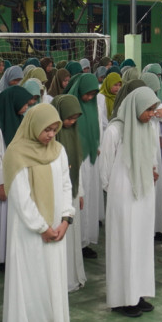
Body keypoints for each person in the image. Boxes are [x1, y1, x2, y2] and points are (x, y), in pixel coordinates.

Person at [2, 103, 74, 322]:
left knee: (51, 277)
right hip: (29, 230)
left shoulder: (59, 151)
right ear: (33, 126)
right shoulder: (16, 153)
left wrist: (66, 219)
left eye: (55, 130)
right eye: (47, 130)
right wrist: (41, 227)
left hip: (55, 227)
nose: (51, 135)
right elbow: (20, 196)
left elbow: (66, 185)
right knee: (30, 278)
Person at [101, 87, 162, 317]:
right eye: (148, 109)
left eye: (153, 109)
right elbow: (105, 170)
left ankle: (138, 293)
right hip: (123, 195)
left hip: (144, 193)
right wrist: (116, 192)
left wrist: (152, 170)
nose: (150, 114)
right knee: (124, 244)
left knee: (141, 243)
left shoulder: (147, 127)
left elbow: (151, 156)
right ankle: (122, 298)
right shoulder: (115, 130)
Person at [0, 86, 36, 270]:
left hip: (20, 176)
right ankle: (5, 258)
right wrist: (1, 184)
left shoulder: (19, 120)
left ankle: (18, 255)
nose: (26, 107)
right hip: (5, 182)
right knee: (4, 219)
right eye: (24, 104)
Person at [52, 95, 86, 293]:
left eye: (75, 118)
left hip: (71, 191)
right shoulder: (52, 134)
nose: (72, 122)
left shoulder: (73, 132)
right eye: (69, 118)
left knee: (72, 235)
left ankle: (72, 276)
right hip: (55, 193)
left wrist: (79, 191)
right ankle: (60, 280)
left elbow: (77, 164)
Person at [65, 73, 102, 258]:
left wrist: (96, 144)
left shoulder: (93, 105)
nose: (89, 97)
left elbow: (95, 127)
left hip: (90, 158)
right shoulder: (70, 105)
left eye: (93, 94)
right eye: (87, 94)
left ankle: (85, 240)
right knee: (77, 199)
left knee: (89, 200)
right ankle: (76, 241)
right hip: (74, 159)